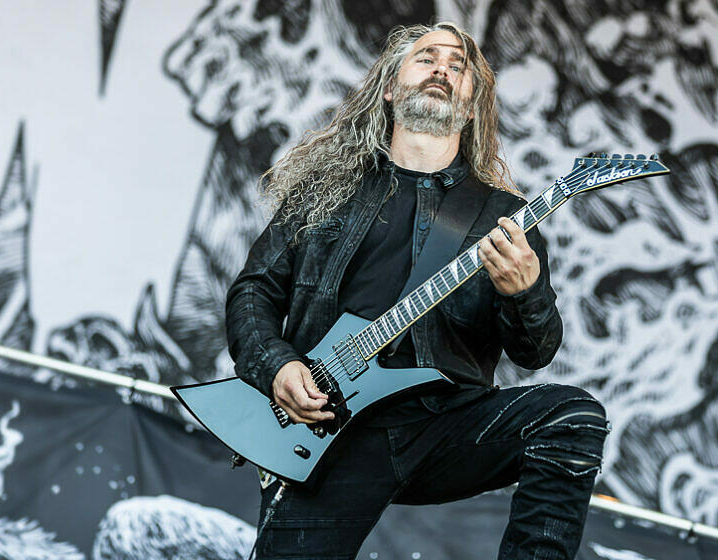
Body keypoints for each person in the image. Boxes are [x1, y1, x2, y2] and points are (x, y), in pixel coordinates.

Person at [225, 21, 610, 560]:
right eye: (427, 58)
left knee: (572, 417)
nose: (442, 70)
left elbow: (535, 352)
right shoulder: (327, 192)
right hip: (330, 428)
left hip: (444, 424)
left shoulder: (504, 218)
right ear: (389, 88)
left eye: (458, 67)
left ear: (471, 108)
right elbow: (253, 292)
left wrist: (525, 293)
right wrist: (278, 367)